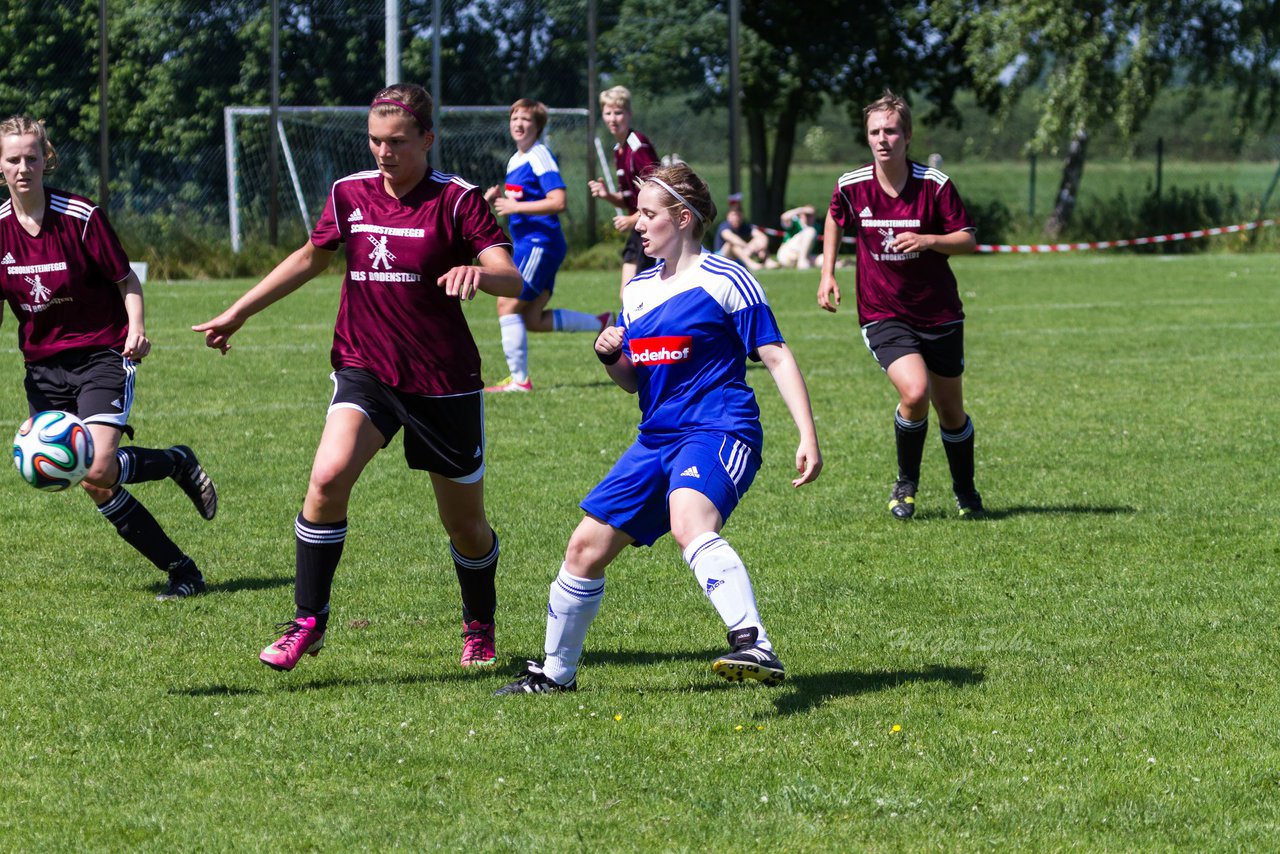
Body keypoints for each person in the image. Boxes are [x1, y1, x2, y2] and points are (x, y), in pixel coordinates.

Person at [193, 84, 523, 671]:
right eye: (375, 140)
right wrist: (238, 311)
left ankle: (478, 623)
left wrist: (478, 272)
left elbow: (510, 276)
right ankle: (307, 623)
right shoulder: (350, 193)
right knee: (326, 480)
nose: (384, 152)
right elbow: (311, 257)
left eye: (397, 141)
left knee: (465, 526)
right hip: (364, 367)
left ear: (427, 138)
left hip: (441, 380)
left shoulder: (457, 199)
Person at [496, 164, 823, 695]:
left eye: (647, 214)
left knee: (688, 520)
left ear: (683, 218)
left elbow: (776, 356)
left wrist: (807, 435)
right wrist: (609, 356)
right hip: (656, 438)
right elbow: (633, 382)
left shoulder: (726, 279)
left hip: (719, 428)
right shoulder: (639, 290)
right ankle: (555, 675)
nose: (636, 224)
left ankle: (753, 641)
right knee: (584, 549)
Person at [0, 115, 217, 600]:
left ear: (45, 159)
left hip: (101, 354)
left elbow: (126, 279)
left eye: (31, 158)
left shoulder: (79, 217)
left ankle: (173, 463)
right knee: (91, 481)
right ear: (0, 166)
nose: (23, 168)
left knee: (96, 467)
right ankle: (183, 569)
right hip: (43, 370)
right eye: (13, 159)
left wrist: (136, 328)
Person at [816, 90, 983, 520]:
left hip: (940, 313)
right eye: (874, 131)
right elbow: (835, 218)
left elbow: (967, 239)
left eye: (890, 130)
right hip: (883, 312)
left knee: (951, 411)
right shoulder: (852, 185)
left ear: (907, 136)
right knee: (915, 391)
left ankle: (966, 492)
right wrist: (827, 272)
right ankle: (905, 484)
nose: (882, 139)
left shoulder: (935, 185)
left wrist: (929, 240)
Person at [482, 99, 609, 393]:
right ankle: (602, 322)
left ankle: (519, 381)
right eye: (514, 117)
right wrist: (499, 202)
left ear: (537, 126)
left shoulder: (540, 156)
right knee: (532, 318)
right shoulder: (517, 159)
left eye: (525, 119)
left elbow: (558, 200)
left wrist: (516, 207)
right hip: (533, 243)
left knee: (506, 303)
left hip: (539, 242)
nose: (518, 123)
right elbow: (518, 202)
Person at [587, 86, 661, 300]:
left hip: (652, 228)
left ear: (629, 114)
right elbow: (629, 199)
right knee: (627, 295)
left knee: (641, 297)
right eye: (608, 113)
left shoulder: (637, 146)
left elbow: (659, 195)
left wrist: (632, 219)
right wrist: (606, 195)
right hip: (639, 226)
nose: (613, 118)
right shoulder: (618, 150)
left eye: (618, 113)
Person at [713, 195, 770, 270]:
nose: (736, 217)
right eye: (734, 214)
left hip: (739, 256)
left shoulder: (744, 226)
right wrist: (748, 247)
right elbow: (731, 238)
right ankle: (751, 264)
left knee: (758, 240)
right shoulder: (724, 226)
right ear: (728, 216)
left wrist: (759, 250)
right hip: (721, 259)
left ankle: (766, 261)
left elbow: (762, 237)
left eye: (739, 214)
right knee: (731, 244)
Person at [775, 204, 819, 270]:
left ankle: (802, 260)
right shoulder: (795, 223)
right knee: (810, 231)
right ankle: (802, 261)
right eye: (806, 215)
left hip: (800, 256)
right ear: (801, 215)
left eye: (811, 215)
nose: (808, 217)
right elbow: (784, 217)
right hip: (787, 253)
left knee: (821, 259)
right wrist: (801, 209)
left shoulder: (817, 227)